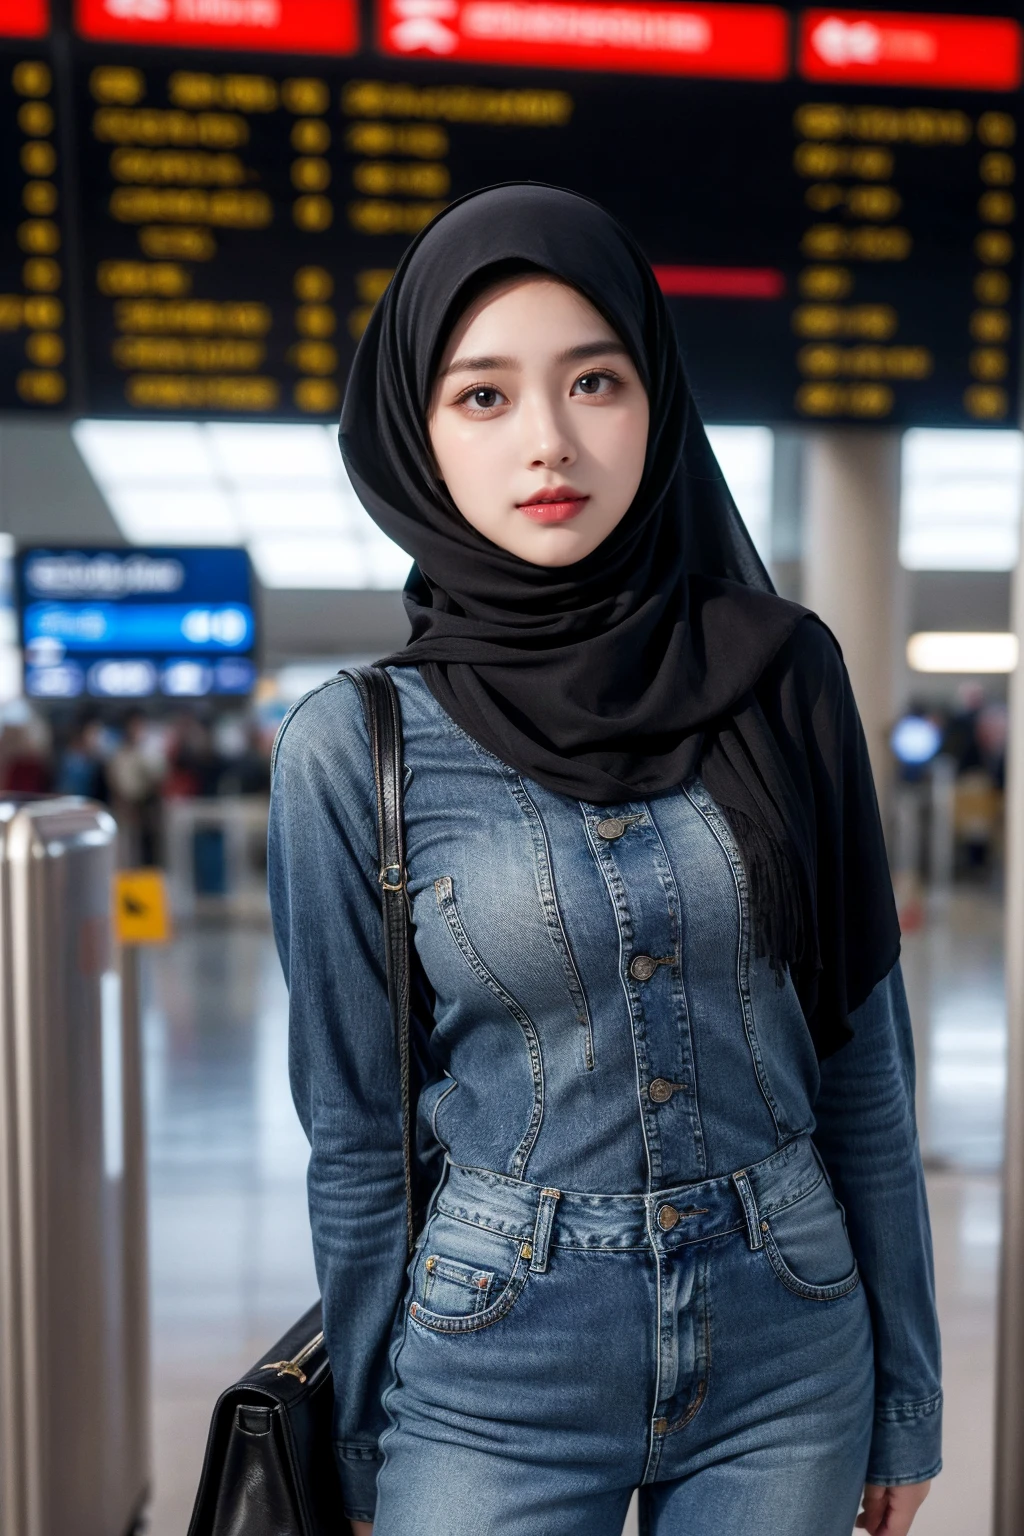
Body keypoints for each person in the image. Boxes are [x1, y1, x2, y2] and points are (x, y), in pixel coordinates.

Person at [269, 185, 940, 1536]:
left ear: (657, 397)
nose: (551, 441)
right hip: (493, 1362)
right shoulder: (354, 747)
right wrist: (359, 1441)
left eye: (594, 379)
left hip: (788, 1347)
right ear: (418, 432)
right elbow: (354, 1137)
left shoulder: (782, 674)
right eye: (485, 397)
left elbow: (862, 1059)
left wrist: (907, 1399)